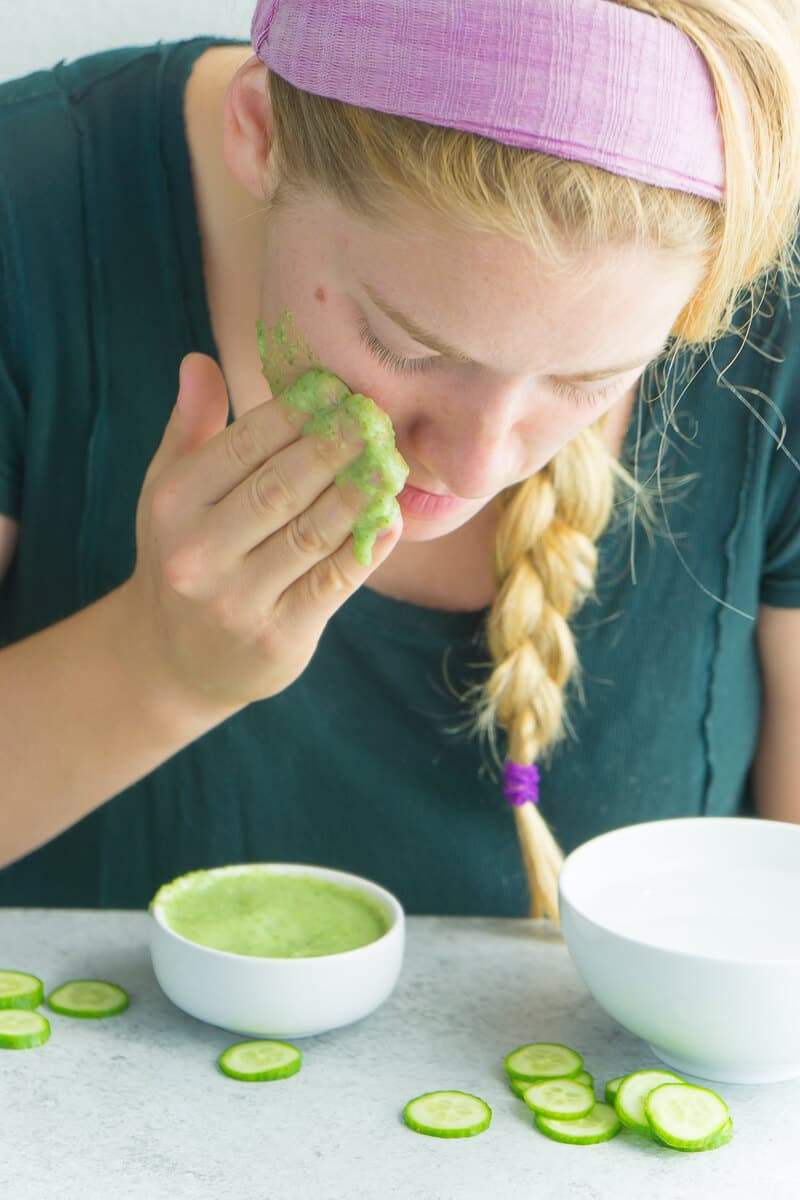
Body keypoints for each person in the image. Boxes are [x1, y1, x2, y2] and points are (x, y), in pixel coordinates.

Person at [0, 0, 799, 922]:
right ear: (259, 133)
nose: (470, 467)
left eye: (590, 381)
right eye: (407, 348)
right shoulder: (32, 217)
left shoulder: (768, 319)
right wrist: (158, 666)